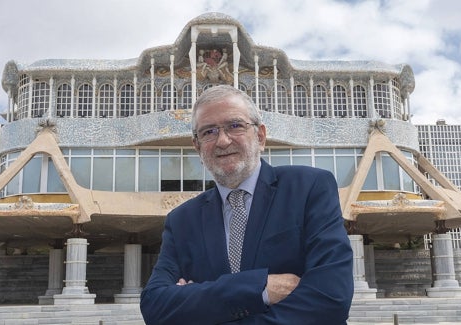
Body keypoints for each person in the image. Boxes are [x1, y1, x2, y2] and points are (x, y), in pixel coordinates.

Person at [140, 85, 354, 324]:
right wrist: (259, 288)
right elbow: (155, 306)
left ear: (260, 136)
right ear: (197, 147)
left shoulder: (309, 188)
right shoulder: (181, 221)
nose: (222, 140)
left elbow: (331, 299)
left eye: (235, 126)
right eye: (208, 132)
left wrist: (197, 299)